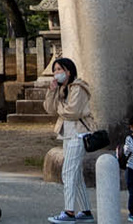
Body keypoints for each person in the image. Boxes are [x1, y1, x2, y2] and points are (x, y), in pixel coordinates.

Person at [45, 55, 95, 223]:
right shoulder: (62, 89)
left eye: (59, 69)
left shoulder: (78, 87)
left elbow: (72, 112)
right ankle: (86, 210)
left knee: (68, 173)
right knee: (76, 174)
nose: (56, 73)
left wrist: (60, 105)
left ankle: (69, 212)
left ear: (68, 71)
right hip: (67, 134)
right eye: (55, 70)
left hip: (79, 134)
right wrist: (52, 92)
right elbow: (50, 109)